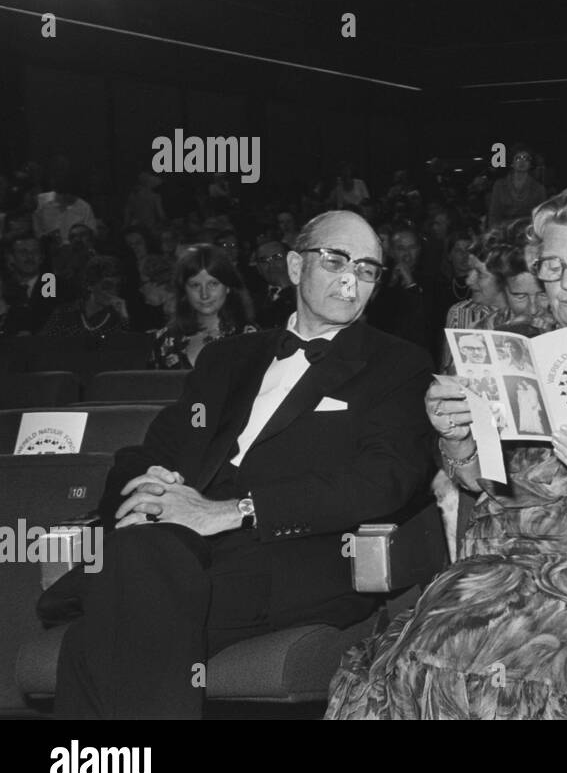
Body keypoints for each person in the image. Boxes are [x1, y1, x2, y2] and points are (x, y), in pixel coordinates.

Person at [327, 186, 567, 720]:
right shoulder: (504, 347)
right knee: (422, 655)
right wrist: (454, 437)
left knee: (557, 661)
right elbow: (476, 480)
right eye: (552, 265)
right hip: (503, 551)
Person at [55, 211, 438, 718]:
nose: (351, 279)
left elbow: (381, 483)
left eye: (367, 270)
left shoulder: (398, 365)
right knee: (143, 572)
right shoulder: (226, 358)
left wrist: (232, 511)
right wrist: (146, 486)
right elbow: (152, 450)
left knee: (105, 624)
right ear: (296, 266)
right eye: (336, 260)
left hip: (291, 555)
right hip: (172, 550)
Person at [148, 244, 258, 370]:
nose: (204, 294)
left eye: (213, 284)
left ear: (228, 287)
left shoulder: (249, 335)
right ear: (184, 290)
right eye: (195, 285)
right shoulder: (165, 339)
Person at [39, 255, 131, 338]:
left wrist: (124, 319)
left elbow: (127, 351)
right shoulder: (64, 313)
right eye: (107, 286)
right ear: (90, 285)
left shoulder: (116, 318)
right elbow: (42, 345)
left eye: (117, 286)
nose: (113, 292)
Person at [487, 143, 547, 226]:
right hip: (503, 232)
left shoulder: (539, 188)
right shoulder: (499, 185)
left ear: (530, 164)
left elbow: (541, 216)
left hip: (528, 231)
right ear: (512, 163)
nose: (522, 161)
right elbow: (494, 214)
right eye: (518, 158)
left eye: (526, 158)